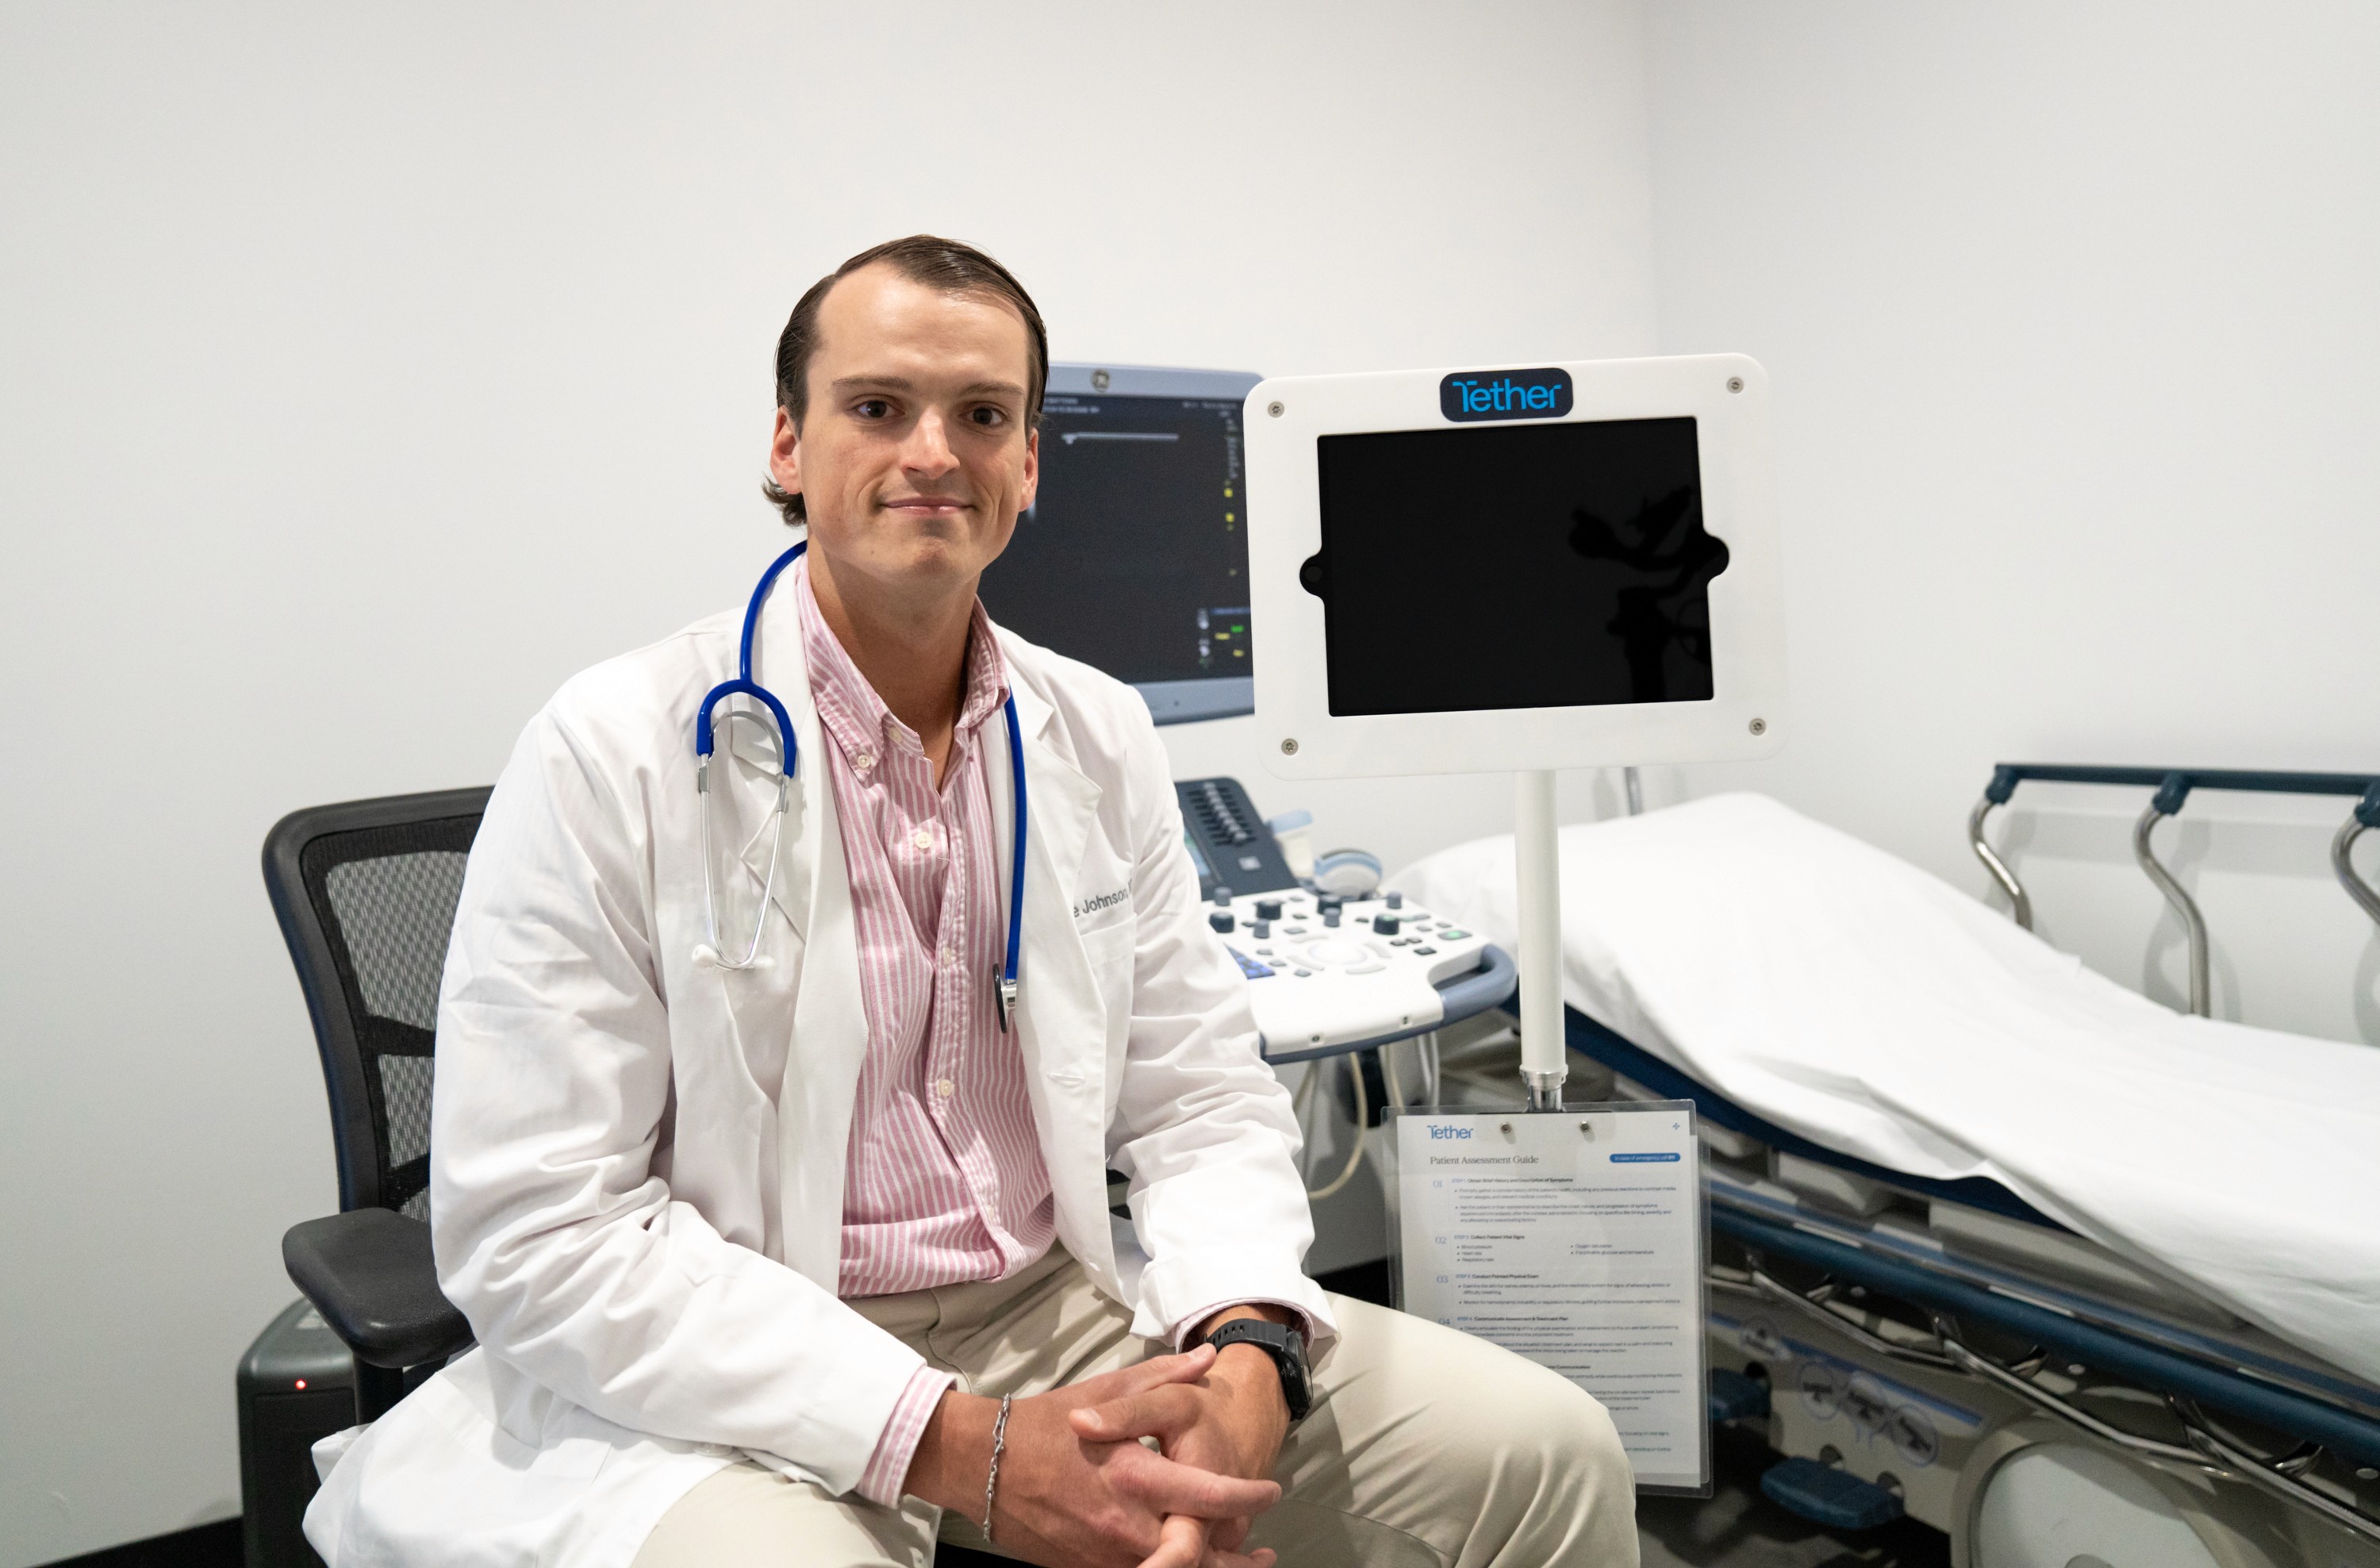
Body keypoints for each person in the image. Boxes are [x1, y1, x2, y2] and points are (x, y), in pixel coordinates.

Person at [302, 236, 1638, 1568]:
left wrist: (1248, 1347)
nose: (935, 453)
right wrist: (956, 1448)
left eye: (984, 416)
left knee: (1548, 1450)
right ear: (788, 444)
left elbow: (1199, 1099)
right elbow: (541, 1230)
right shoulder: (614, 746)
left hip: (1056, 1303)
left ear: (1030, 465)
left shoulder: (1097, 732)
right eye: (878, 407)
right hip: (734, 1358)